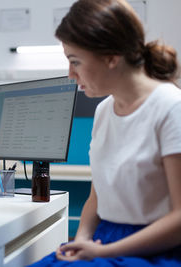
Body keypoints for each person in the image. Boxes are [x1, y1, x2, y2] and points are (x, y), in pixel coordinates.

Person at [29, 0, 181, 266]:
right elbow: (97, 196)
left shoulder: (171, 108)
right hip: (104, 238)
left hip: (154, 246)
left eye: (75, 61)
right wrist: (83, 239)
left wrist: (102, 253)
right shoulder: (104, 111)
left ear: (112, 57)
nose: (70, 75)